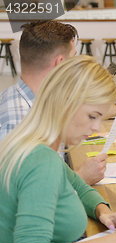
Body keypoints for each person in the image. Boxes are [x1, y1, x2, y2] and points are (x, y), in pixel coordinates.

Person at [0, 56, 116, 243]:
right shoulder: (41, 161)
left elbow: (79, 186)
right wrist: (115, 242)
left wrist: (104, 212)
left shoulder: (35, 144)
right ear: (65, 103)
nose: (97, 128)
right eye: (92, 116)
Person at [0, 20, 108, 185]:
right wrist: (81, 178)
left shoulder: (37, 102)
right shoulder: (19, 119)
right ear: (60, 63)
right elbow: (27, 198)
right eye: (73, 58)